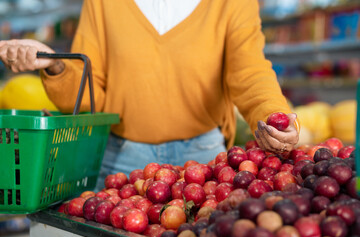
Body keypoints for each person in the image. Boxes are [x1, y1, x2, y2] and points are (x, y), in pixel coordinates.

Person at [0, 0, 299, 191]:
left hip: (208, 161)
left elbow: (249, 72)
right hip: (120, 159)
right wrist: (54, 64)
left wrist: (274, 114)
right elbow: (90, 94)